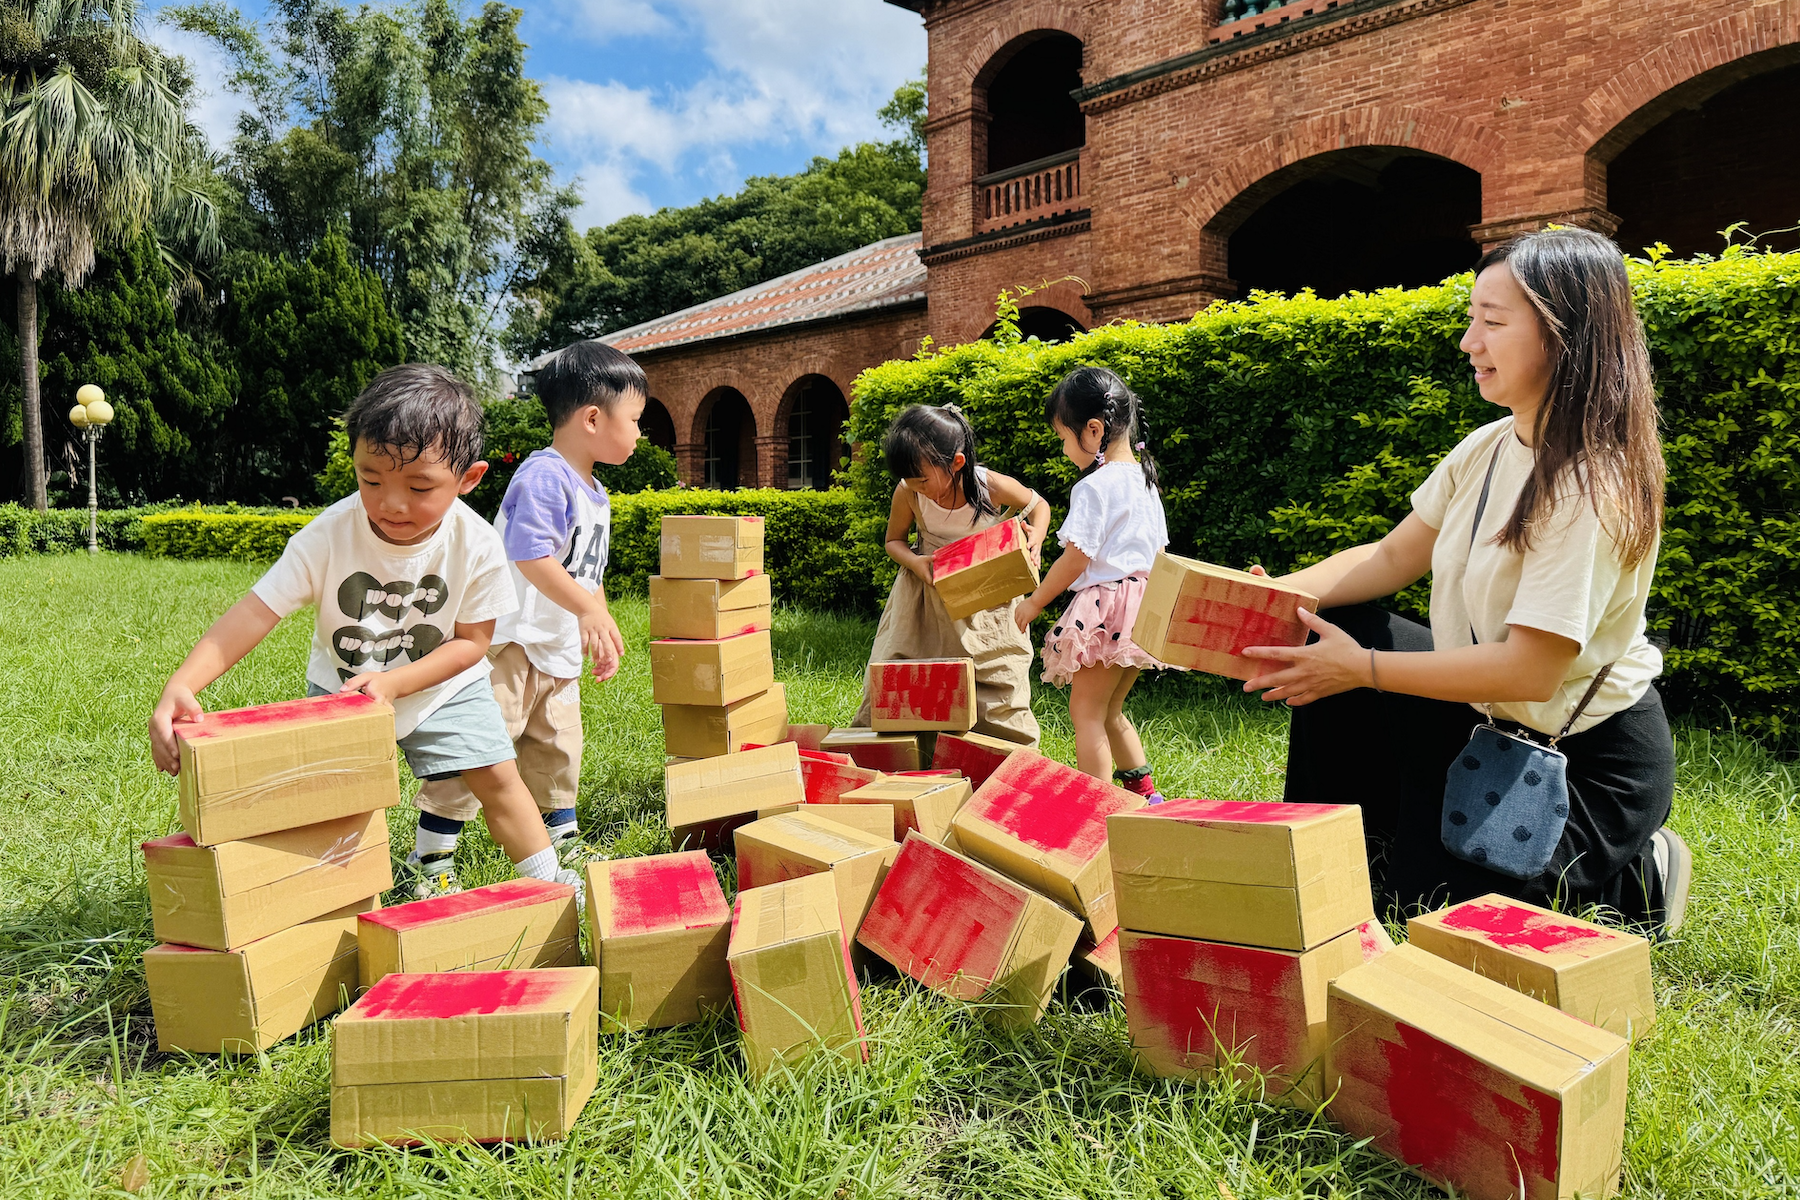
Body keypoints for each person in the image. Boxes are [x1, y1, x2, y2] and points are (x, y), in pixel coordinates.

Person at [1241, 227, 1691, 935]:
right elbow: (1389, 558)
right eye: (1469, 318)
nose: (1468, 342)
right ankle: (1331, 848)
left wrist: (1360, 669)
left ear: (1563, 334)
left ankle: (1636, 870)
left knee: (1440, 919)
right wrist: (1278, 595)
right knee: (1337, 625)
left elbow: (1532, 670)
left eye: (1491, 321)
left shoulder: (1593, 486)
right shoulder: (1488, 445)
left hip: (1577, 755)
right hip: (1481, 719)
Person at [148, 364, 583, 900]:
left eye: (419, 486)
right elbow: (255, 612)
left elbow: (472, 643)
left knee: (497, 776)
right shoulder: (329, 534)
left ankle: (551, 882)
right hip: (341, 693)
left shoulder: (478, 544)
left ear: (469, 478)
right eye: (370, 479)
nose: (390, 503)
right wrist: (183, 682)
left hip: (443, 688)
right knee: (333, 803)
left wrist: (396, 685)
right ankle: (334, 899)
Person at [406, 342, 643, 897]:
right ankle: (430, 860)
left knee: (556, 750)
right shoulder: (545, 476)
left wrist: (599, 619)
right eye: (634, 420)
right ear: (592, 418)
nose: (638, 434)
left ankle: (560, 843)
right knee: (478, 751)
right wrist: (585, 607)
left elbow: (587, 573)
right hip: (509, 646)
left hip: (556, 646)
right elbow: (529, 553)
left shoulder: (595, 491)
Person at [1016, 367, 1176, 799]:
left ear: (1094, 430)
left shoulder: (1095, 487)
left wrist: (1033, 604)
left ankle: (1098, 808)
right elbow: (1158, 551)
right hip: (1143, 605)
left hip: (1108, 608)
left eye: (1063, 438)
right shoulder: (1146, 481)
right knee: (1111, 710)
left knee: (1085, 711)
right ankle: (1145, 793)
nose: (1064, 449)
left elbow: (1076, 558)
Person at [854, 404, 1047, 746]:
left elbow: (1039, 506)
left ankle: (1001, 755)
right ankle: (902, 752)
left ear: (957, 463)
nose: (918, 488)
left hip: (986, 599)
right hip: (925, 600)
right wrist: (916, 562)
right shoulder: (909, 492)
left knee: (995, 676)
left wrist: (1037, 537)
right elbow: (893, 541)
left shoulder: (989, 486)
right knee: (903, 671)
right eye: (910, 481)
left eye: (923, 479)